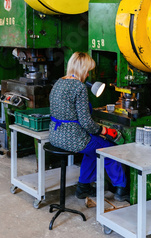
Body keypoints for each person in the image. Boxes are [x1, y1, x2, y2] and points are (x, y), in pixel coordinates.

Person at [49, 51, 128, 201]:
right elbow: (86, 123)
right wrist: (105, 130)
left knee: (92, 150)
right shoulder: (79, 87)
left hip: (55, 135)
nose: (88, 75)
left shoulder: (59, 82)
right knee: (109, 148)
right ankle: (121, 188)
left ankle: (83, 188)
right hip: (72, 138)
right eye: (88, 71)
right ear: (82, 69)